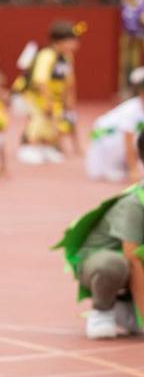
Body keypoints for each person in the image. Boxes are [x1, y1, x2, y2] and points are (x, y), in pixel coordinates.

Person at [55, 133, 144, 339]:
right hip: (104, 263)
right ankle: (103, 310)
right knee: (113, 264)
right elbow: (134, 259)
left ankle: (125, 309)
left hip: (138, 267)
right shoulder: (135, 203)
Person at [17, 21, 80, 165]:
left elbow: (68, 81)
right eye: (70, 41)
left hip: (55, 97)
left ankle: (46, 148)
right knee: (39, 120)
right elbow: (40, 81)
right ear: (58, 41)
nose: (74, 44)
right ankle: (29, 148)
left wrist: (69, 98)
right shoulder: (46, 55)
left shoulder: (66, 57)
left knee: (53, 123)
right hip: (36, 96)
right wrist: (47, 101)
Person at [86, 67, 144, 183]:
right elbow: (127, 140)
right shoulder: (131, 110)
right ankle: (119, 166)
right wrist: (133, 170)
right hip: (106, 140)